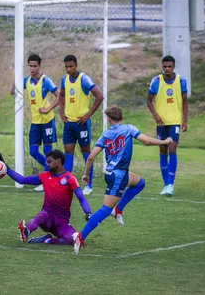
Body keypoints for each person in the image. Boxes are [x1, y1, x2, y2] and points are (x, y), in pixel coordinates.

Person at [72, 105, 172, 254]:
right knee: (105, 209)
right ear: (122, 118)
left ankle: (118, 209)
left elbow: (91, 156)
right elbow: (146, 141)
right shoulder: (129, 128)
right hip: (118, 176)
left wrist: (86, 174)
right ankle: (80, 236)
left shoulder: (105, 135)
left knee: (139, 183)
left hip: (115, 173)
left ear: (109, 119)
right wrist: (165, 141)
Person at [0, 150, 92, 245]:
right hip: (47, 218)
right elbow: (22, 180)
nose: (47, 164)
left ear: (58, 161)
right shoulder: (44, 176)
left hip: (61, 222)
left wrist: (88, 213)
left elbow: (81, 198)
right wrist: (6, 168)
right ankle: (26, 232)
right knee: (39, 217)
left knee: (72, 240)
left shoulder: (70, 178)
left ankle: (46, 240)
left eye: (49, 161)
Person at [10, 54, 60, 192]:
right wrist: (15, 72)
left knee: (47, 151)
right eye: (30, 66)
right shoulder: (26, 81)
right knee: (32, 151)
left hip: (47, 121)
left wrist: (48, 108)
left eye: (35, 66)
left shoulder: (45, 80)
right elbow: (12, 91)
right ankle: (51, 171)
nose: (32, 69)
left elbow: (59, 94)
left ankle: (46, 181)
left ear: (39, 66)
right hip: (35, 121)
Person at [59, 54, 104, 196]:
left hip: (82, 123)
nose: (68, 69)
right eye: (66, 67)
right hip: (69, 124)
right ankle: (67, 182)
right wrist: (61, 111)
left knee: (86, 152)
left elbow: (99, 96)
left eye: (71, 66)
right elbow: (61, 95)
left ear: (76, 65)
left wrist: (88, 115)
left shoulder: (83, 79)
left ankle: (88, 185)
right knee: (68, 152)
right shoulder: (64, 80)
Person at [146, 55, 188, 196]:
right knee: (163, 150)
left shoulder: (181, 81)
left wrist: (184, 120)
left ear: (174, 67)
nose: (167, 69)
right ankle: (166, 184)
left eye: (169, 66)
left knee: (172, 148)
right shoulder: (156, 81)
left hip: (175, 121)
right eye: (165, 67)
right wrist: (156, 115)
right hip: (161, 123)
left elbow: (185, 102)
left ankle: (170, 183)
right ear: (162, 67)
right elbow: (149, 101)